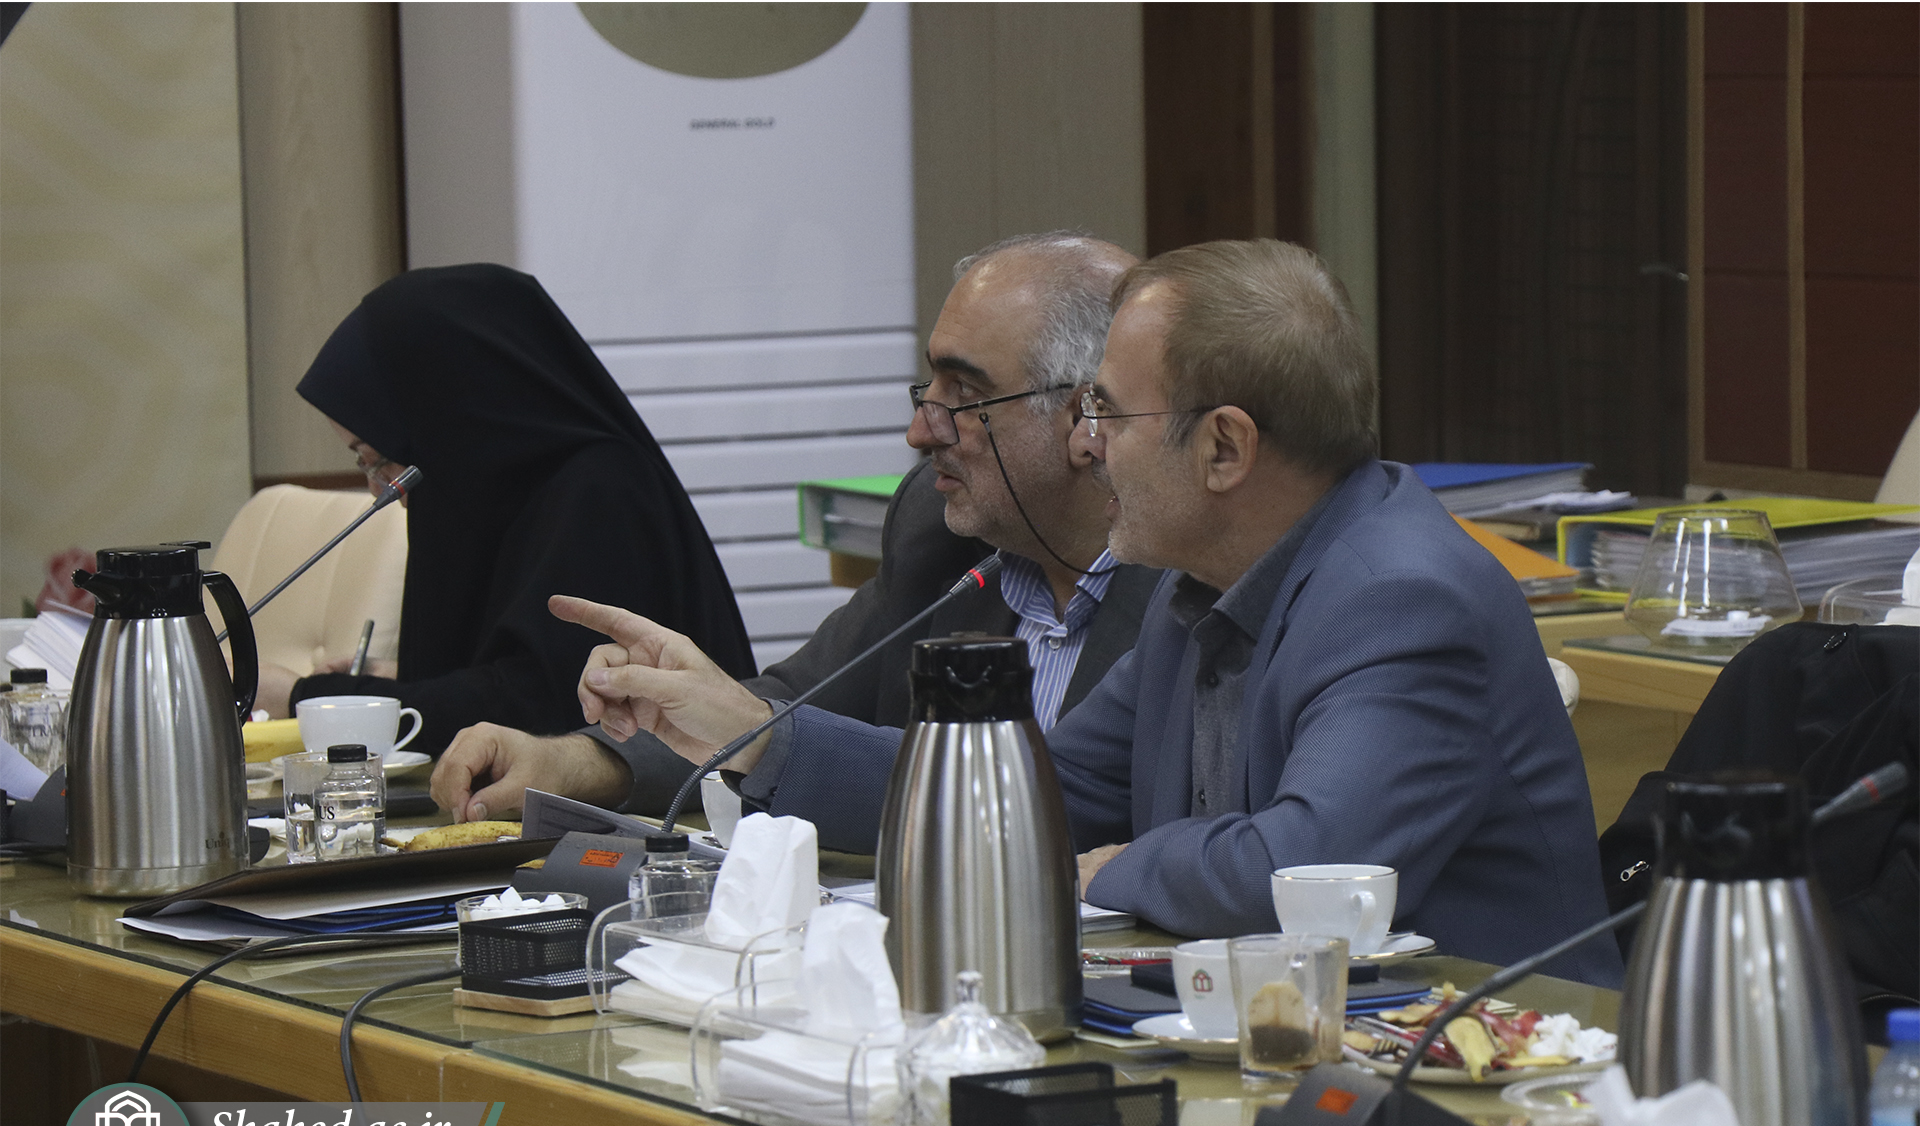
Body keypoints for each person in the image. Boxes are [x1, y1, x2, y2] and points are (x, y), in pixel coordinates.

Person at [554, 239, 1622, 982]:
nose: (1088, 441)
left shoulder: (1400, 596)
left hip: (1492, 1085)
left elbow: (1308, 872)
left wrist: (1120, 864)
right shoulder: (1202, 581)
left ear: (1224, 446)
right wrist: (757, 735)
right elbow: (1036, 791)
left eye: (1108, 409)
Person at [431, 233, 1162, 819]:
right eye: (927, 389)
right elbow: (800, 697)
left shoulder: (1184, 583)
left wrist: (753, 729)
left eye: (964, 394)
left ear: (1086, 419)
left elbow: (1060, 802)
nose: (918, 431)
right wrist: (573, 763)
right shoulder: (944, 541)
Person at [258, 263, 755, 757]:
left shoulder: (602, 493)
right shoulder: (499, 496)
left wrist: (307, 698)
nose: (380, 489)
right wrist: (396, 684)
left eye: (379, 457)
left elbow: (540, 714)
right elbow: (501, 673)